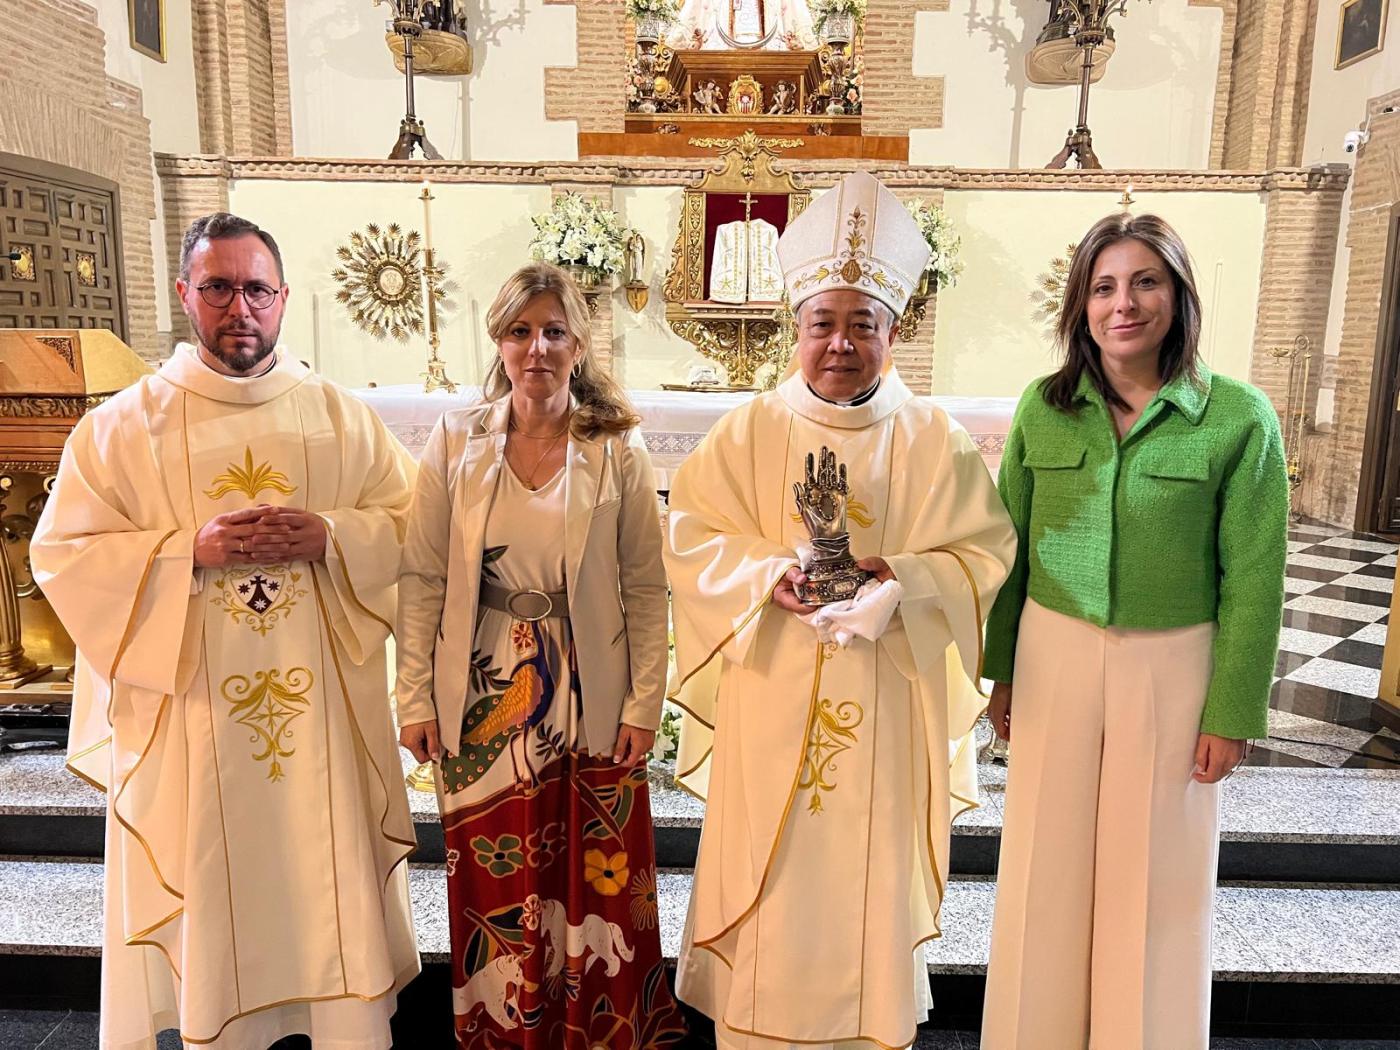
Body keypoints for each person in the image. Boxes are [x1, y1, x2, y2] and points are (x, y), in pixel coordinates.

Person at [31, 212, 420, 1049]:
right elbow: (63, 552)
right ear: (185, 294)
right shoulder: (122, 428)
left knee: (321, 872)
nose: (238, 307)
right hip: (194, 722)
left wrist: (333, 536)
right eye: (217, 288)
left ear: (283, 299)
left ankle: (338, 1023)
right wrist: (184, 553)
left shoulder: (338, 417)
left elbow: (419, 526)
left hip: (318, 721)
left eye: (255, 289)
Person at [666, 170, 1018, 1049]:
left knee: (865, 866)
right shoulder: (746, 430)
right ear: (797, 327)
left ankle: (867, 1027)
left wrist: (898, 580)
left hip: (885, 692)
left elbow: (985, 552)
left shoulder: (932, 438)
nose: (840, 344)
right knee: (775, 863)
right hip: (773, 687)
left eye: (863, 324)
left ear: (892, 332)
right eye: (824, 322)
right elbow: (691, 534)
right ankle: (756, 1023)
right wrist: (762, 579)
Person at [980, 213, 1288, 1050]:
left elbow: (1257, 576)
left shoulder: (1237, 417)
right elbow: (1011, 549)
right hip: (1054, 652)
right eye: (1105, 286)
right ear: (1081, 304)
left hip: (1174, 662)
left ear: (1179, 295)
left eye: (1146, 282)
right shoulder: (1045, 412)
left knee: (1156, 872)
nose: (1125, 304)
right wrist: (1000, 673)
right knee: (1045, 861)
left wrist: (1232, 710)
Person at [394, 261, 687, 1048]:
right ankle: (502, 1027)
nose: (537, 348)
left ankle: (598, 1026)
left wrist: (642, 704)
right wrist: (414, 696)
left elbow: (645, 586)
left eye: (554, 331)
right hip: (485, 677)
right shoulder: (456, 441)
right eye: (521, 331)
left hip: (588, 677)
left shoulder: (616, 449)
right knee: (496, 864)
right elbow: (420, 573)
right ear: (498, 340)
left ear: (579, 345)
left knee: (597, 869)